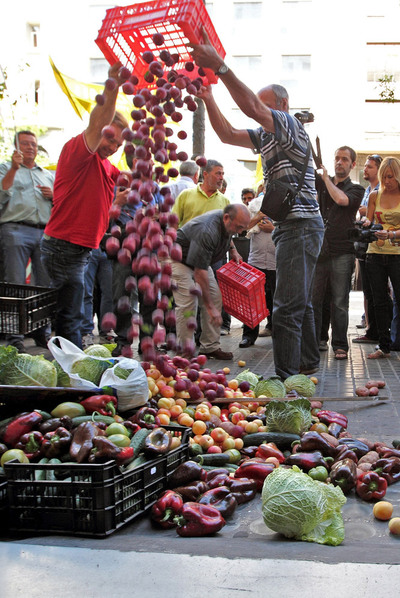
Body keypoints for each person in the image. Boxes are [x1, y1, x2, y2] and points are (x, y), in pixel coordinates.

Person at [190, 33, 324, 379]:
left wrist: (220, 68)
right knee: (300, 302)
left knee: (285, 307)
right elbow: (226, 134)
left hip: (302, 224)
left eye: (265, 107)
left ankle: (285, 379)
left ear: (282, 105)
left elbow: (251, 107)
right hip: (295, 226)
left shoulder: (290, 125)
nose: (260, 113)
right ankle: (307, 362)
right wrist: (208, 98)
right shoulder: (267, 135)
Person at [40, 62, 130, 348]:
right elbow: (98, 121)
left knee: (73, 313)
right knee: (69, 317)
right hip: (63, 246)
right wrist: (112, 84)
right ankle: (66, 370)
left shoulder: (105, 165)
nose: (113, 147)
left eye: (118, 145)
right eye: (110, 139)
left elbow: (125, 177)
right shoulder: (78, 151)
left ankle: (68, 362)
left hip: (81, 249)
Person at [172, 204, 250, 360]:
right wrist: (209, 308)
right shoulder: (208, 230)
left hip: (199, 260)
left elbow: (228, 235)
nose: (240, 232)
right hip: (178, 258)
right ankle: (184, 352)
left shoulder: (226, 223)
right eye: (239, 227)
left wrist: (232, 249)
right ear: (227, 218)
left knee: (215, 297)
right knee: (188, 302)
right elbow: (200, 273)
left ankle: (209, 347)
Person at [0, 130, 54, 352]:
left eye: (33, 143)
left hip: (44, 232)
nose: (30, 147)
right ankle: (15, 336)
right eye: (25, 143)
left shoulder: (47, 175)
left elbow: (60, 204)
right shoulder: (5, 167)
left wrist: (54, 196)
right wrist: (14, 168)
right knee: (15, 284)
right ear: (16, 147)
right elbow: (1, 194)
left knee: (44, 285)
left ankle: (42, 332)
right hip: (15, 229)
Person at [312, 147, 364, 360]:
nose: (339, 162)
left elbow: (342, 200)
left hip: (343, 251)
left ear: (352, 165)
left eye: (344, 159)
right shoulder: (322, 182)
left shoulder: (356, 189)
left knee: (340, 301)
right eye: (337, 158)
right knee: (315, 300)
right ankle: (316, 341)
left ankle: (340, 344)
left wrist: (326, 180)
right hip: (319, 249)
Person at [363, 157, 400, 359]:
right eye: (384, 177)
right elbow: (369, 219)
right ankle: (384, 346)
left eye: (390, 177)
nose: (387, 182)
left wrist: (392, 234)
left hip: (397, 254)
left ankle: (395, 342)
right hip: (375, 253)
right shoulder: (374, 196)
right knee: (379, 301)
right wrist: (365, 222)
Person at [353, 154, 383, 344]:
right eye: (365, 166)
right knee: (367, 289)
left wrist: (366, 214)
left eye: (370, 167)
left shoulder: (382, 191)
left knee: (377, 290)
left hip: (379, 244)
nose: (365, 169)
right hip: (364, 244)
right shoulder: (367, 190)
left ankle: (378, 331)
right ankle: (370, 326)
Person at [239, 194, 276, 348]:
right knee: (251, 300)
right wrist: (259, 215)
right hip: (257, 261)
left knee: (276, 300)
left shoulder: (285, 204)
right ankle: (248, 335)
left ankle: (277, 332)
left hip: (277, 262)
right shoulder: (254, 205)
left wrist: (273, 229)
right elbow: (243, 227)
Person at [171, 159, 230, 226]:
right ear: (205, 174)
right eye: (218, 174)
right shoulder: (186, 195)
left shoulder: (225, 201)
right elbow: (173, 222)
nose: (222, 178)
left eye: (223, 174)